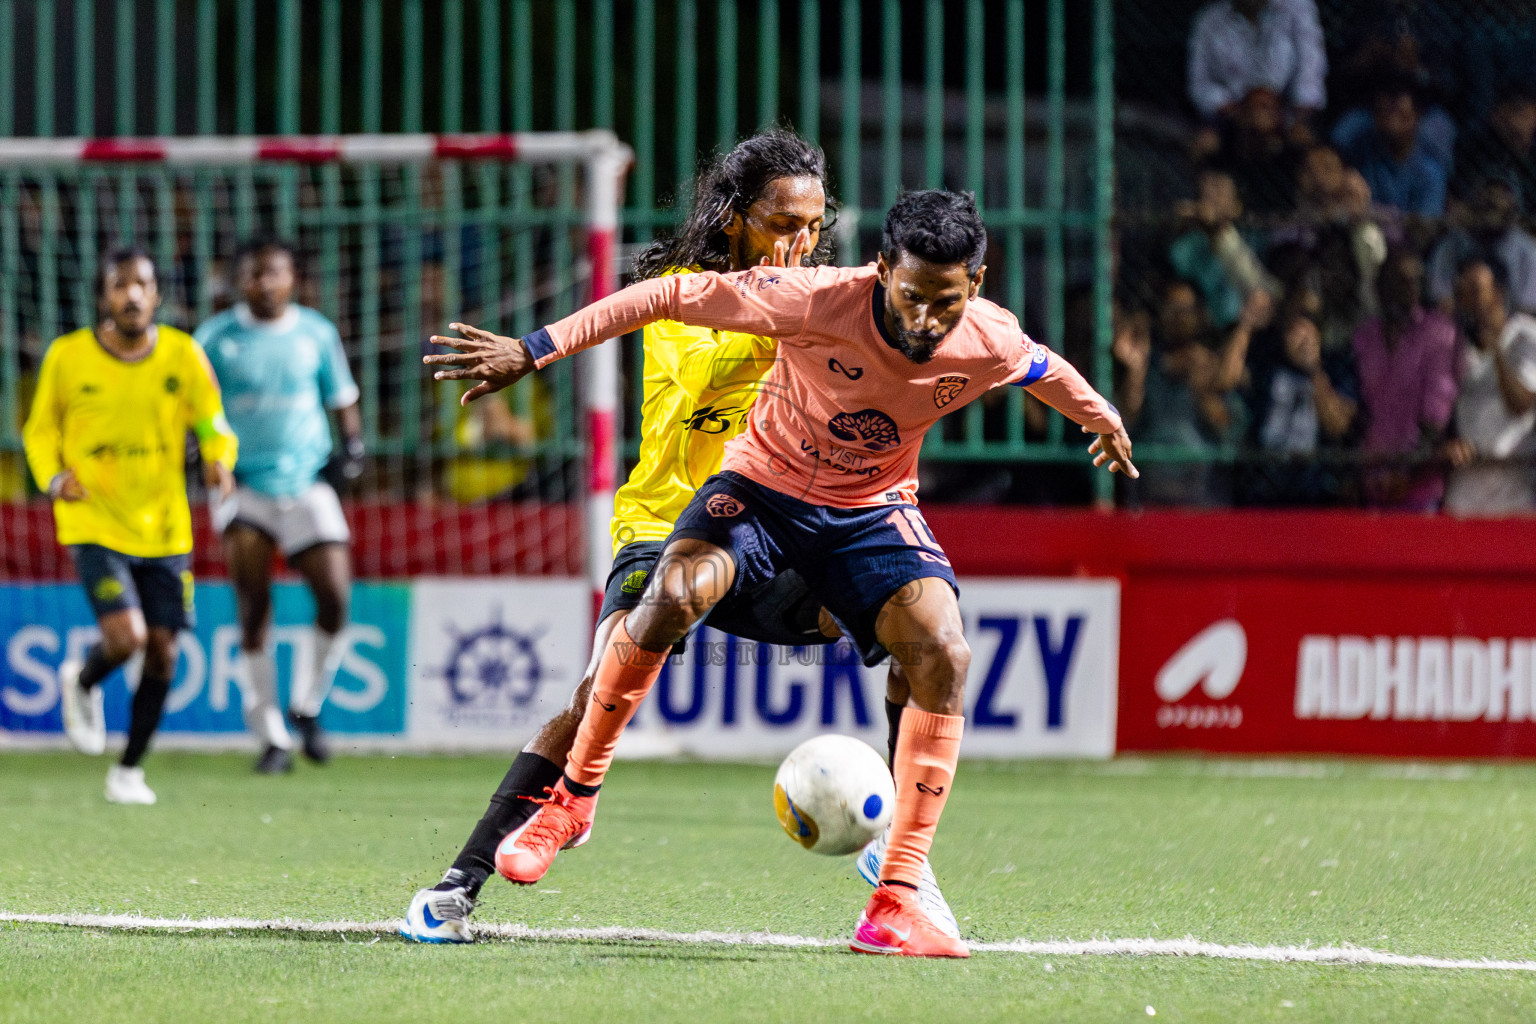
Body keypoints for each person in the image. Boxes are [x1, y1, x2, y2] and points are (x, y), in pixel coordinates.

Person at [427, 190, 1135, 958]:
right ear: (881, 270)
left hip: (869, 512)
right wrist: (534, 349)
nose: (928, 320)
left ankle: (898, 896)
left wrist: (1101, 416)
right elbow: (662, 296)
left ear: (978, 283)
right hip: (762, 492)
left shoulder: (988, 336)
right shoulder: (812, 298)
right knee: (673, 593)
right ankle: (573, 798)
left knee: (943, 652)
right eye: (912, 297)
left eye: (947, 302)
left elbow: (1044, 368)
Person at [400, 131, 961, 945]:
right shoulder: (679, 291)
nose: (801, 241)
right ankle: (460, 883)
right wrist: (795, 320)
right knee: (594, 691)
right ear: (736, 217)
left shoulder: (831, 300)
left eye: (813, 225)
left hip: (781, 529)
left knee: (917, 633)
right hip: (669, 525)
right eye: (782, 223)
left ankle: (898, 854)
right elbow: (703, 377)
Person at [22, 248, 237, 804]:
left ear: (156, 294)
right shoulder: (68, 356)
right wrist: (52, 478)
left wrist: (219, 458)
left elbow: (212, 421)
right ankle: (84, 681)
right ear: (104, 296)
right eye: (120, 284)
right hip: (92, 517)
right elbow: (39, 431)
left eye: (141, 284)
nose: (132, 295)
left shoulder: (183, 354)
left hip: (164, 527)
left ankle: (128, 771)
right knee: (128, 638)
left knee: (163, 651)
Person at [195, 239, 364, 774]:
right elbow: (192, 407)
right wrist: (199, 453)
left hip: (307, 481)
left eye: (274, 273)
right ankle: (271, 736)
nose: (264, 283)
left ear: (293, 279)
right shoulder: (214, 338)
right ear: (237, 281)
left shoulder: (315, 332)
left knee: (334, 595)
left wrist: (353, 447)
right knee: (253, 607)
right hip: (242, 487)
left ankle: (307, 705)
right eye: (253, 274)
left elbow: (342, 397)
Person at [1114, 279, 1265, 505]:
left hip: (1203, 500)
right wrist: (1136, 370)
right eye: (1171, 309)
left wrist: (1203, 390)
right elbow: (1124, 422)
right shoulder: (1147, 368)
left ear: (1200, 315)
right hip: (1150, 500)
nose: (1178, 318)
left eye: (1185, 310)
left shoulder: (1216, 370)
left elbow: (1232, 433)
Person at [1352, 249, 1457, 510]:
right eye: (1398, 281)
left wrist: (1404, 473)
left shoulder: (1438, 334)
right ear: (1380, 287)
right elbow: (1358, 407)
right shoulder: (1365, 336)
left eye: (1414, 281)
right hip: (1371, 483)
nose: (1408, 289)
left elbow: (1436, 417)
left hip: (1419, 489)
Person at [1444, 258, 1536, 516]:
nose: (1469, 302)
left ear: (1498, 294)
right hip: (1466, 487)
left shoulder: (1524, 335)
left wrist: (1495, 346)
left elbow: (1521, 404)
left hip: (1512, 486)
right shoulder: (1454, 342)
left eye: (1476, 291)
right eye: (1462, 293)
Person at [1239, 309, 1359, 505]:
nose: (1303, 342)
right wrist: (1245, 325)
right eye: (1295, 335)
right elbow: (1228, 379)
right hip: (1265, 486)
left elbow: (1337, 427)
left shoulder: (1335, 370)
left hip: (1313, 488)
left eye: (1308, 335)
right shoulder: (1268, 370)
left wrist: (1313, 370)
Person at [1186, 0, 1326, 132]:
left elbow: (1311, 73)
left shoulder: (1299, 7)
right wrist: (1242, 113)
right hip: (1231, 121)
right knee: (1206, 142)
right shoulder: (1209, 20)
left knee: (1311, 145)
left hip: (1290, 117)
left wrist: (1288, 117)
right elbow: (1200, 84)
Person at [1336, 79, 1448, 219]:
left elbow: (1427, 222)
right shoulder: (1359, 155)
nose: (1392, 124)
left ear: (1417, 117)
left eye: (1402, 115)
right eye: (1384, 114)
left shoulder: (1430, 171)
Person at [1427, 177, 1536, 314]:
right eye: (1487, 199)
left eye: (1499, 198)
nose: (1492, 200)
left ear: (1513, 209)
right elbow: (1441, 297)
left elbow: (1527, 309)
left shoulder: (1526, 251)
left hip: (1509, 322)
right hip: (1457, 320)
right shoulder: (1453, 243)